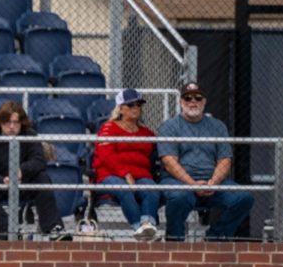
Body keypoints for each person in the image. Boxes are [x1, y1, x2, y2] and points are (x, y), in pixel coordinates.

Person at [157, 82, 255, 241]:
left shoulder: (218, 126)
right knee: (179, 197)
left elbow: (225, 160)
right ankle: (175, 241)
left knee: (244, 198)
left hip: (213, 183)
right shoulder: (169, 126)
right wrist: (192, 184)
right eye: (187, 98)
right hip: (179, 182)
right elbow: (169, 162)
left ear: (204, 101)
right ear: (181, 102)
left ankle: (215, 238)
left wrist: (213, 183)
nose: (192, 101)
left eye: (197, 97)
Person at [0, 101, 72, 241]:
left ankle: (53, 229)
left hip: (23, 183)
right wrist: (1, 180)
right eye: (7, 122)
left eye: (16, 122)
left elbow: (39, 161)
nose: (12, 126)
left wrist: (21, 171)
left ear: (22, 123)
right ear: (0, 122)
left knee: (43, 178)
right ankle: (9, 232)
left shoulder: (29, 135)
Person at [92, 88, 160, 240]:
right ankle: (138, 227)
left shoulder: (146, 132)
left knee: (152, 190)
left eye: (138, 105)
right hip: (110, 174)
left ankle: (147, 225)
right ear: (121, 108)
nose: (136, 108)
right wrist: (125, 174)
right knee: (124, 190)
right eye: (131, 105)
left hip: (141, 174)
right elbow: (106, 156)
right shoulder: (108, 128)